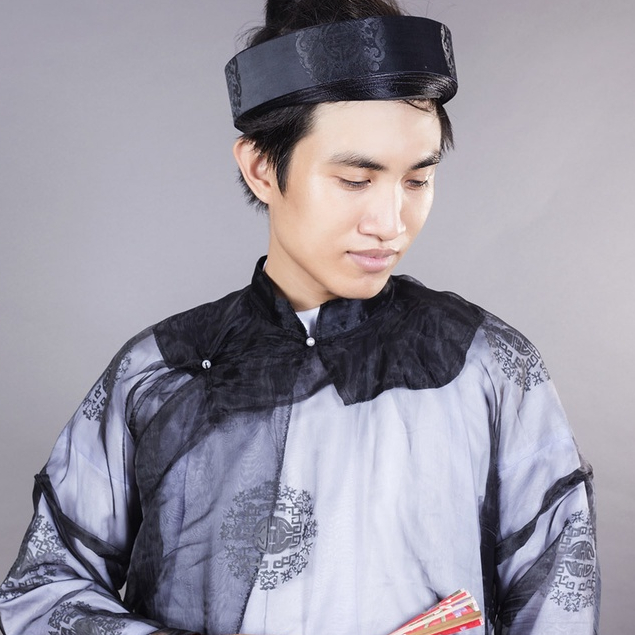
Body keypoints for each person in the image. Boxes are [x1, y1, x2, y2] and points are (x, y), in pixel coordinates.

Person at [0, 0, 600, 634]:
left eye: (417, 181)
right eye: (355, 180)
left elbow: (558, 598)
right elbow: (42, 590)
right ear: (262, 168)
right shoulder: (158, 371)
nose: (390, 223)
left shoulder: (488, 365)